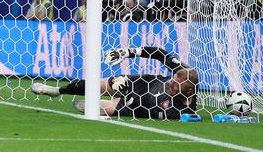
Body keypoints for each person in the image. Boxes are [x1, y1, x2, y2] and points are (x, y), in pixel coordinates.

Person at [31, 46, 198, 119]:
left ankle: (94, 106)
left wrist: (128, 97)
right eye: (172, 78)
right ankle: (58, 90)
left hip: (137, 106)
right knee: (97, 85)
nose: (170, 83)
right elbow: (160, 53)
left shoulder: (180, 111)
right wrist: (128, 52)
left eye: (175, 86)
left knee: (91, 107)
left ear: (188, 91)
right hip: (143, 83)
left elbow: (150, 112)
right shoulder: (183, 71)